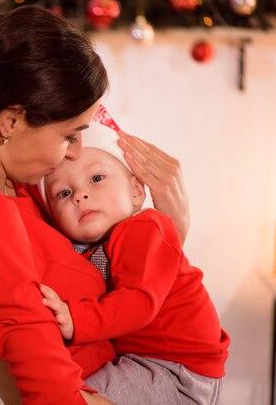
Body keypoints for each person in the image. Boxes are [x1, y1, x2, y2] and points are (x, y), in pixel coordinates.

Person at [0, 5, 190, 405]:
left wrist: (169, 228)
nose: (75, 152)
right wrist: (174, 228)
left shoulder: (11, 187)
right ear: (11, 122)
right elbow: (53, 394)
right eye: (69, 135)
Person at [39, 108, 230, 404]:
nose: (80, 194)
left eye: (97, 178)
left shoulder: (145, 229)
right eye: (63, 193)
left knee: (73, 396)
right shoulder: (83, 247)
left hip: (177, 371)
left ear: (137, 192)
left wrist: (77, 319)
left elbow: (139, 301)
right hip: (146, 362)